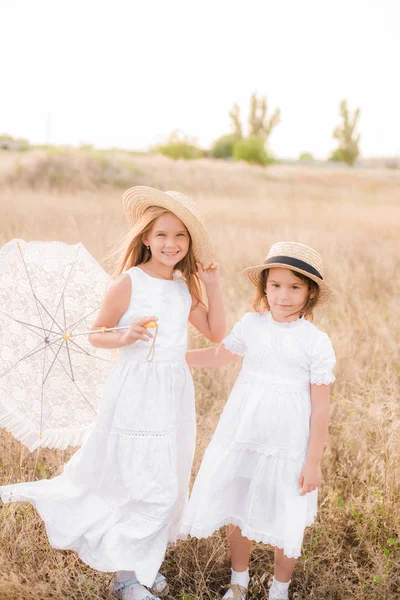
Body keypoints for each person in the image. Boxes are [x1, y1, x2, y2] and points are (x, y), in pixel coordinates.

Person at [0, 186, 226, 600]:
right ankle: (125, 577)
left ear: (189, 242)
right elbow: (96, 335)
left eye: (180, 236)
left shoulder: (183, 287)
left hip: (173, 393)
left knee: (169, 478)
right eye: (162, 234)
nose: (171, 243)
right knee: (140, 477)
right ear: (145, 238)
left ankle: (143, 560)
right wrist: (125, 335)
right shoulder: (129, 282)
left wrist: (213, 285)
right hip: (136, 390)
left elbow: (216, 332)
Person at [182, 241, 336, 600]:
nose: (283, 295)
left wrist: (312, 461)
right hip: (245, 432)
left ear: (310, 293)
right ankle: (240, 580)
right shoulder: (251, 325)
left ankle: (279, 589)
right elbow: (219, 355)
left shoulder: (315, 341)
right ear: (264, 287)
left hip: (288, 444)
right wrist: (172, 356)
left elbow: (321, 407)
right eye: (276, 285)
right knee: (240, 504)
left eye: (294, 287)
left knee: (287, 513)